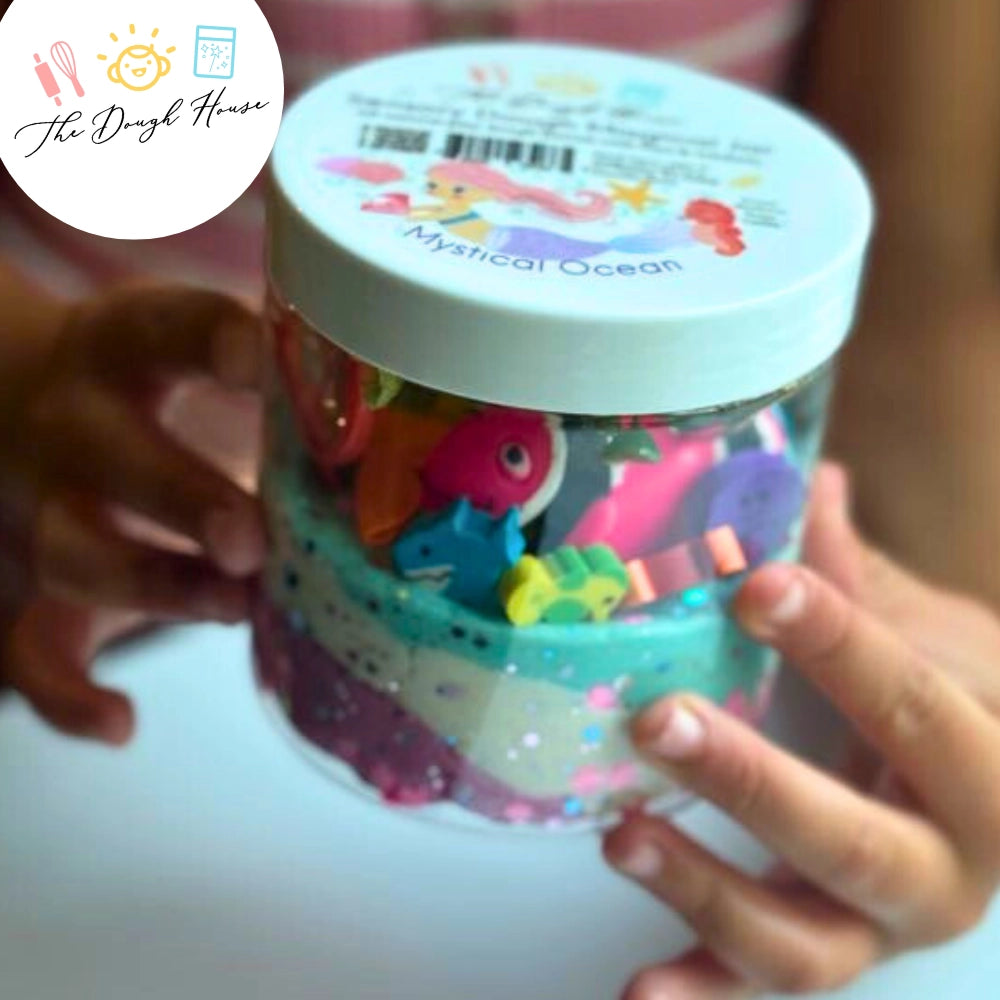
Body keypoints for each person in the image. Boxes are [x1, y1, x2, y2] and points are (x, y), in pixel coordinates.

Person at [2, 1, 999, 997]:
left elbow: (921, 293)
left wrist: (953, 692)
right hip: (96, 612)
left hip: (550, 875)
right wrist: (26, 367)